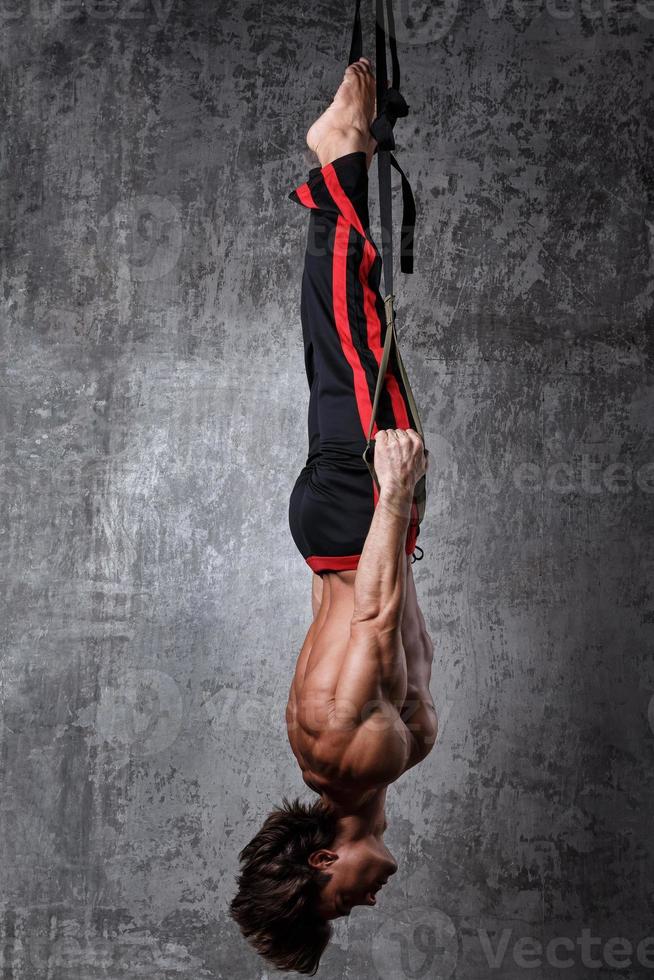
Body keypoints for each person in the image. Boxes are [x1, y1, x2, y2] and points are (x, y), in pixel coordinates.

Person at [230, 57, 437, 975]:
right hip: (371, 530)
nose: (364, 902)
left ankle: (335, 157)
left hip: (359, 517)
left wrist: (391, 497)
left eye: (338, 903)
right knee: (356, 333)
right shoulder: (389, 765)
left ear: (324, 859)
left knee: (347, 324)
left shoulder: (342, 757)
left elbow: (378, 617)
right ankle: (356, 135)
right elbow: (402, 623)